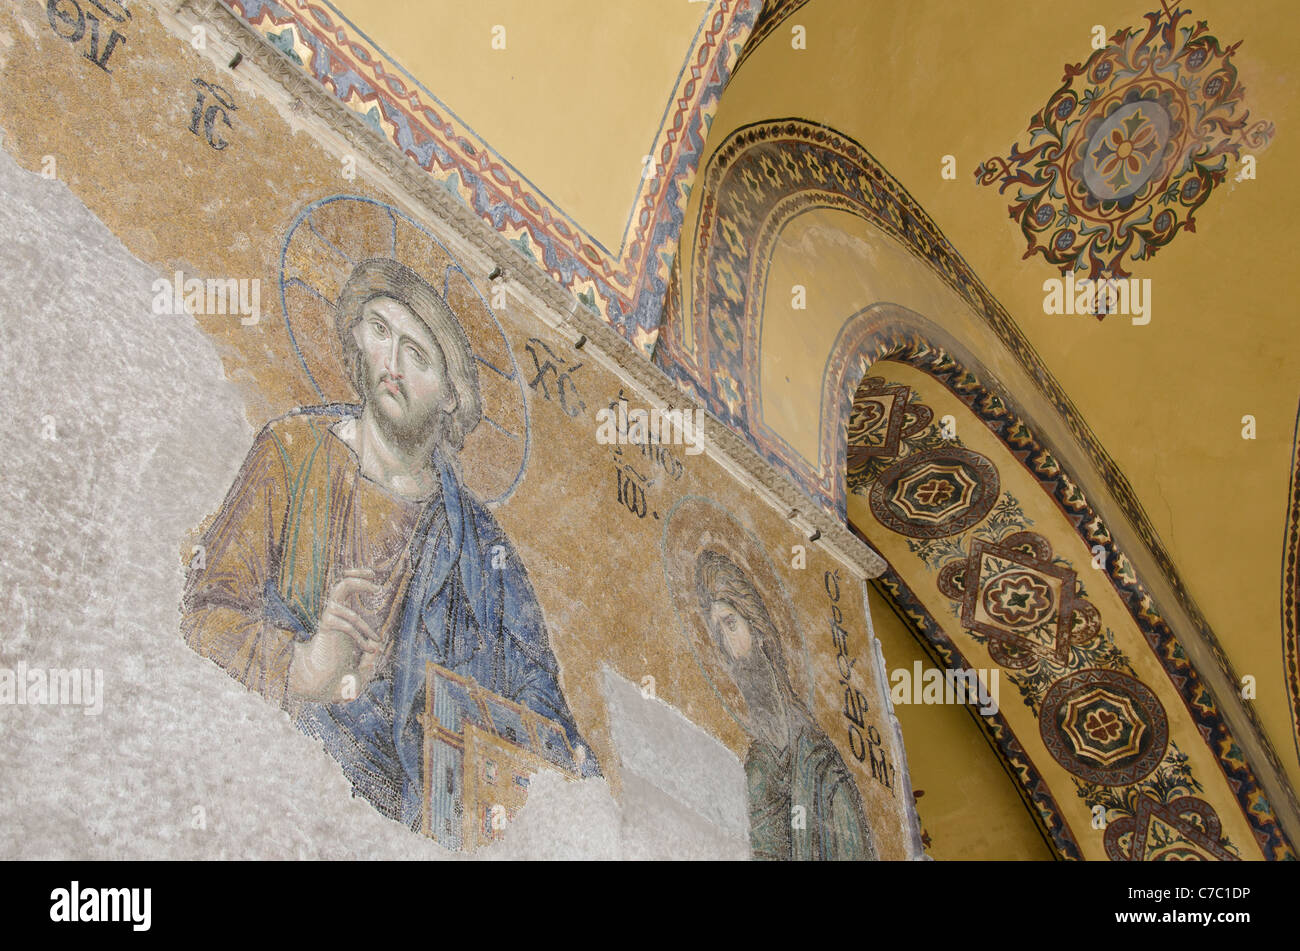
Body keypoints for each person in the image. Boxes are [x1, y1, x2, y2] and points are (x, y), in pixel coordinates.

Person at [180, 257, 597, 834]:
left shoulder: (481, 551)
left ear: (453, 396)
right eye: (380, 331)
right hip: (269, 790)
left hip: (411, 826)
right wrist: (304, 668)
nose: (392, 365)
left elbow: (546, 722)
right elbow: (202, 619)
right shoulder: (292, 454)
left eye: (419, 355)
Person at [694, 549, 876, 860]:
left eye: (731, 623)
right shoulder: (759, 751)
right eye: (718, 631)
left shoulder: (814, 752)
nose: (727, 643)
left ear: (755, 624)